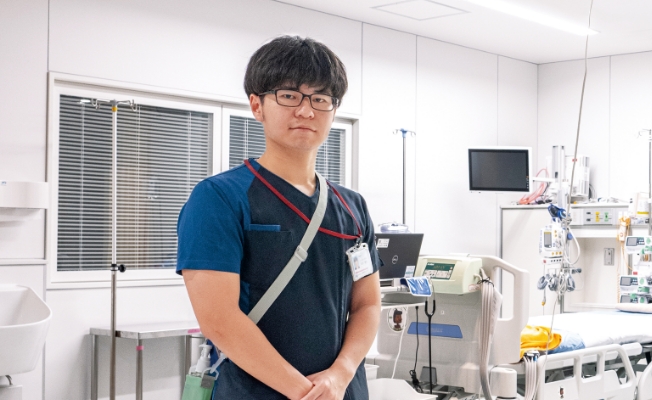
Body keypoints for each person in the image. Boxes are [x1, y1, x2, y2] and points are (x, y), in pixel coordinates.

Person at [177, 35, 382, 400]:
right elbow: (219, 320)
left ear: (334, 110)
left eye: (320, 99)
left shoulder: (352, 207)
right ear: (257, 105)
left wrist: (340, 375)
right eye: (289, 96)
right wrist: (305, 393)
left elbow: (367, 304)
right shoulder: (219, 198)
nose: (306, 111)